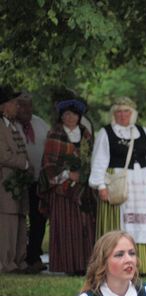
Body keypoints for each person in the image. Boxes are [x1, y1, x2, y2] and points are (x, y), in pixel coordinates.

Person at [89, 96, 146, 274]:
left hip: (142, 184)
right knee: (120, 224)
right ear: (113, 114)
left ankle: (145, 266)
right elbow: (99, 160)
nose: (122, 115)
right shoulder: (106, 133)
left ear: (133, 114)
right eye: (119, 112)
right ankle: (114, 265)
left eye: (126, 112)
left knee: (144, 223)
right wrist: (100, 185)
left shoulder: (143, 132)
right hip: (119, 184)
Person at [40, 98, 95, 274]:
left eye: (74, 115)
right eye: (67, 114)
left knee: (85, 226)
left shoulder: (86, 135)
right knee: (65, 226)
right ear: (61, 117)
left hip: (83, 189)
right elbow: (48, 162)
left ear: (79, 117)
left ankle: (84, 264)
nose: (70, 118)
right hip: (61, 189)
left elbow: (92, 158)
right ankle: (67, 265)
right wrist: (67, 174)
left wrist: (84, 174)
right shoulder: (55, 134)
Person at [15, 93, 50, 273]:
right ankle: (17, 257)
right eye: (22, 105)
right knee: (18, 218)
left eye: (29, 105)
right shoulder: (11, 125)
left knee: (38, 218)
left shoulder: (40, 123)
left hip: (39, 180)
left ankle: (33, 256)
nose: (26, 109)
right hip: (17, 181)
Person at [0, 85, 31, 273]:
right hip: (5, 182)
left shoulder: (12, 126)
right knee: (7, 221)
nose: (17, 106)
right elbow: (3, 155)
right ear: (3, 106)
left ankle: (19, 260)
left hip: (18, 182)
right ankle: (5, 262)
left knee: (20, 219)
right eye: (13, 103)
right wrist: (25, 164)